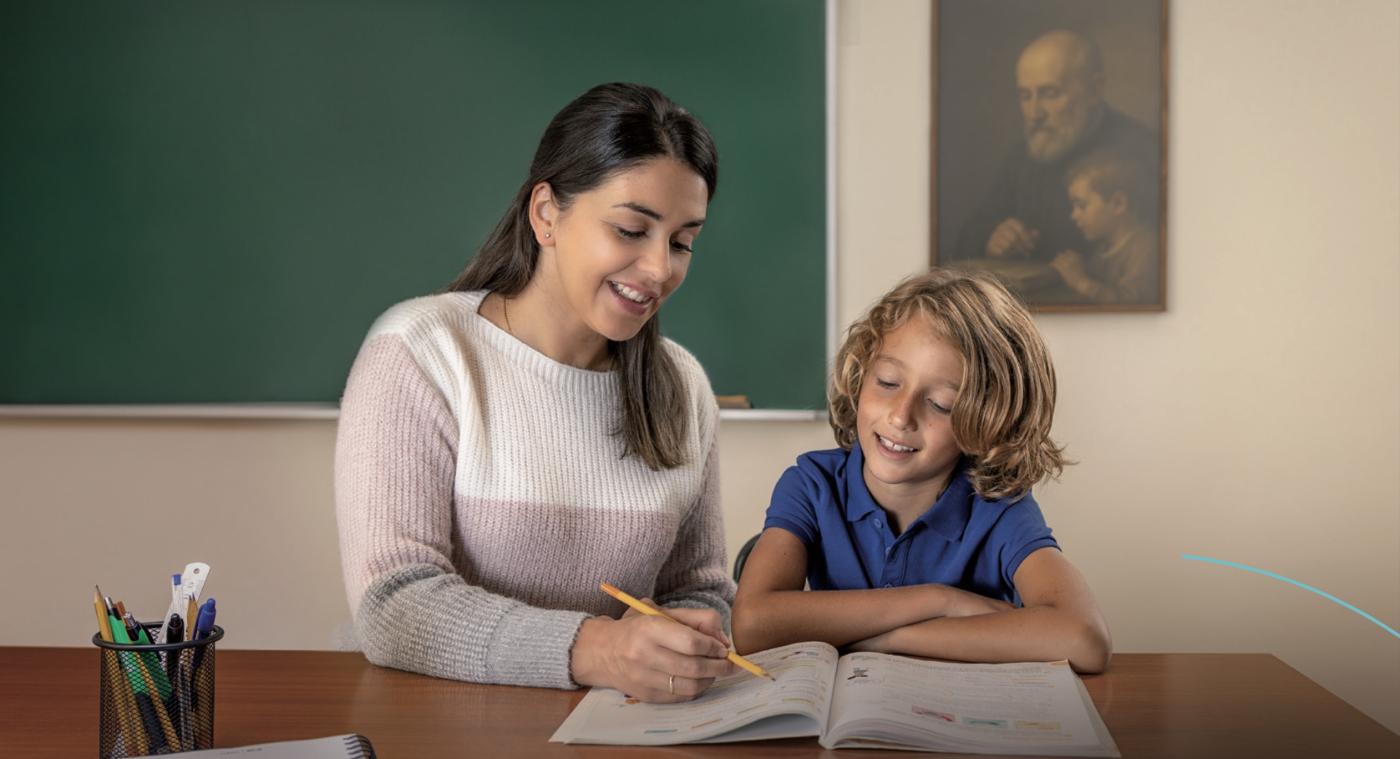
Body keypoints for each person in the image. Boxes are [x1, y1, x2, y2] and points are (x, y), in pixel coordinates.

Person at [335, 83, 735, 703]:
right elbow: (394, 603)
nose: (661, 268)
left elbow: (699, 591)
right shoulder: (423, 351)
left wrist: (691, 637)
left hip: (619, 728)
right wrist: (599, 649)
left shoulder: (682, 385)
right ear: (546, 213)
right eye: (631, 229)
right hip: (438, 723)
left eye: (682, 242)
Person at [731, 270, 1111, 673]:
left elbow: (1084, 639)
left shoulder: (999, 509)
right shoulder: (811, 485)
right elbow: (752, 626)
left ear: (989, 421)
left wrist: (884, 640)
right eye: (888, 382)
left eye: (941, 404)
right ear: (861, 374)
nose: (900, 416)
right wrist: (940, 600)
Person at [953, 30, 1156, 275]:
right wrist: (992, 238)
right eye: (1025, 96)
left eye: (1050, 94)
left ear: (1094, 90)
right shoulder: (1023, 155)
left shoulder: (1141, 149)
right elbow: (970, 233)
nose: (1034, 113)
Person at [1050, 150, 1158, 304]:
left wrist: (1081, 282)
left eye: (1081, 206)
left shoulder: (1145, 248)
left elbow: (1131, 306)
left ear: (1118, 204)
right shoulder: (1103, 248)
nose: (1074, 215)